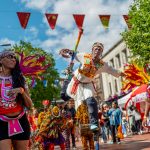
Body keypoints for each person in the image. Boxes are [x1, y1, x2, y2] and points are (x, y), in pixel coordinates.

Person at [60, 42, 124, 130]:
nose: (97, 51)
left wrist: (124, 74)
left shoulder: (102, 65)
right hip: (76, 82)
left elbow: (112, 70)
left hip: (88, 85)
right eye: (96, 49)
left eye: (99, 49)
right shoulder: (85, 56)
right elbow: (74, 54)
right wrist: (65, 51)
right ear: (92, 50)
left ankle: (94, 124)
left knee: (91, 101)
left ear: (101, 52)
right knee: (64, 96)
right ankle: (66, 81)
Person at [0, 49, 32, 150]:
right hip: (2, 123)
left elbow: (30, 105)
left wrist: (21, 91)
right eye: (10, 56)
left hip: (21, 121)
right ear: (1, 60)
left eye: (14, 57)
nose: (13, 59)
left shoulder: (20, 79)